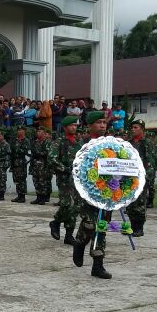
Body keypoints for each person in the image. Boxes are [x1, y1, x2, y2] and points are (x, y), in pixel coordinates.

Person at [71, 111, 114, 280]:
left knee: (101, 226)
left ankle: (98, 264)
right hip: (87, 191)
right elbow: (75, 168)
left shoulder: (112, 145)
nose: (102, 125)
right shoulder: (82, 145)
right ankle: (80, 243)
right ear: (89, 126)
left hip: (107, 192)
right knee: (89, 224)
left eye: (104, 122)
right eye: (98, 123)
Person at [48, 116, 81, 244]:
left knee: (75, 207)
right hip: (64, 179)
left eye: (75, 125)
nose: (74, 127)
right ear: (65, 127)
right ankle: (56, 222)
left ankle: (68, 235)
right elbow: (52, 158)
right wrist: (64, 168)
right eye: (71, 125)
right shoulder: (59, 142)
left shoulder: (78, 143)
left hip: (77, 179)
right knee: (67, 204)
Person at [125, 119, 154, 237]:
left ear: (142, 129)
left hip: (141, 176)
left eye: (136, 127)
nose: (133, 129)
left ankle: (139, 228)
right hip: (129, 176)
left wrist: (147, 176)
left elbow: (150, 160)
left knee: (140, 203)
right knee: (131, 202)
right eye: (132, 127)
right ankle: (132, 227)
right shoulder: (129, 142)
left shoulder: (146, 142)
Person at [29, 125, 52, 204]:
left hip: (43, 165)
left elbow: (48, 153)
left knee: (43, 182)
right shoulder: (35, 142)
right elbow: (32, 153)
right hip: (35, 165)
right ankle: (38, 197)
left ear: (44, 133)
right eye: (37, 131)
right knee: (36, 181)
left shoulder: (47, 141)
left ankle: (43, 198)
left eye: (40, 131)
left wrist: (39, 154)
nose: (38, 133)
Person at [10, 126, 31, 202]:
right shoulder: (14, 140)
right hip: (14, 162)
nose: (19, 131)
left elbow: (27, 152)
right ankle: (19, 195)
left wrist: (18, 149)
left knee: (22, 180)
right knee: (16, 179)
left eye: (21, 130)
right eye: (18, 130)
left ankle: (22, 196)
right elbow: (11, 150)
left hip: (21, 162)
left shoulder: (26, 141)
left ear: (24, 131)